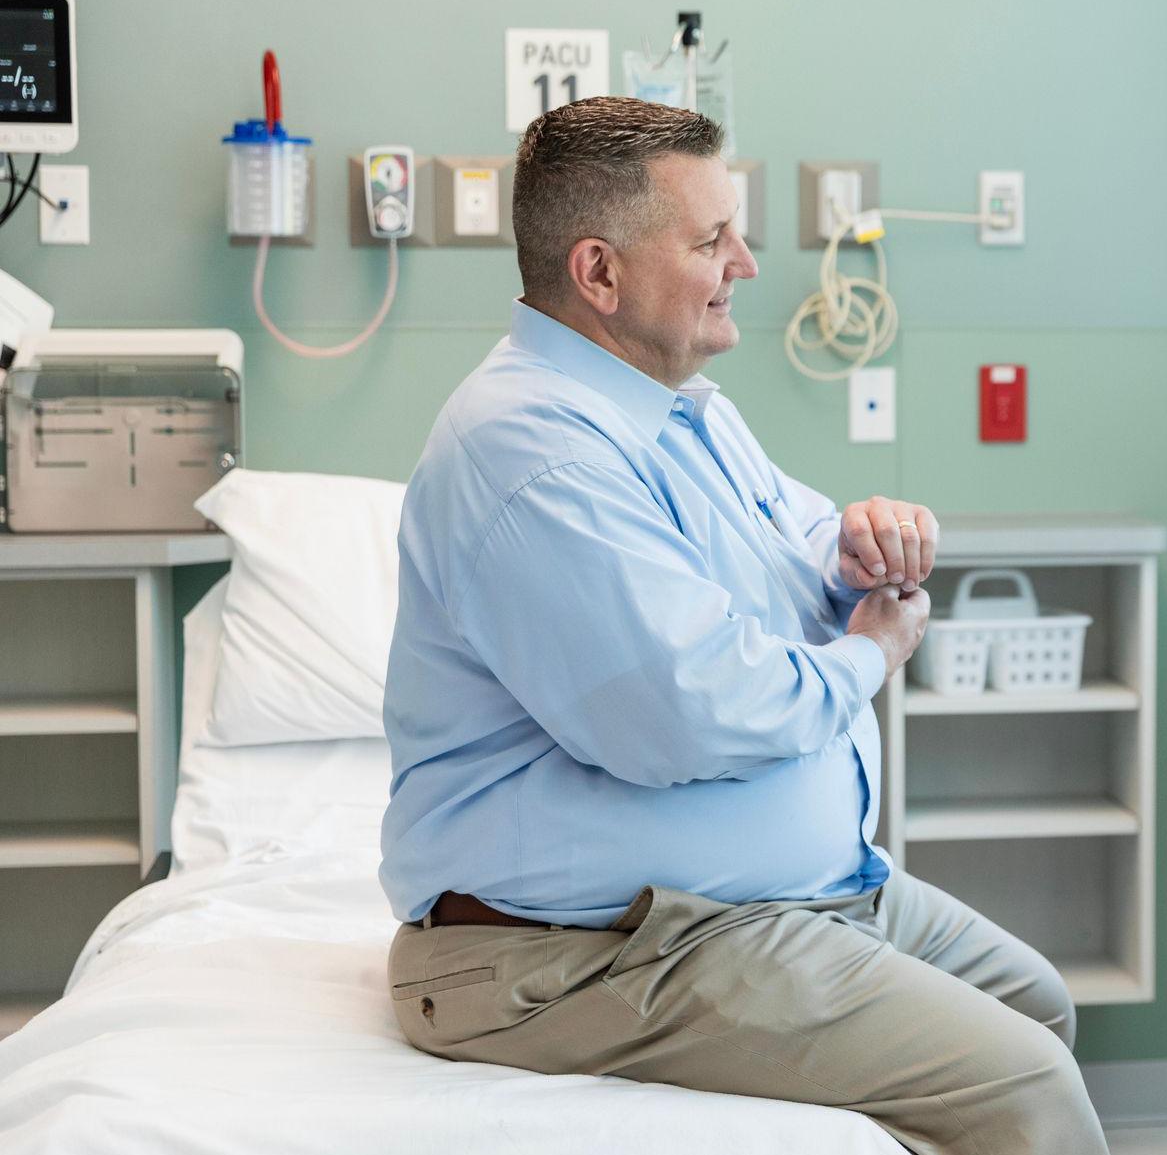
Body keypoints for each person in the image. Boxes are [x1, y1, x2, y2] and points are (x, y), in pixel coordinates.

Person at [377, 96, 1107, 1155]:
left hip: (757, 902)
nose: (748, 262)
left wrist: (855, 546)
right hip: (576, 954)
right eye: (712, 238)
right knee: (1028, 1082)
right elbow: (691, 709)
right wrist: (869, 650)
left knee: (1039, 1004)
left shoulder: (683, 409)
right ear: (600, 273)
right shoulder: (532, 455)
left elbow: (795, 536)